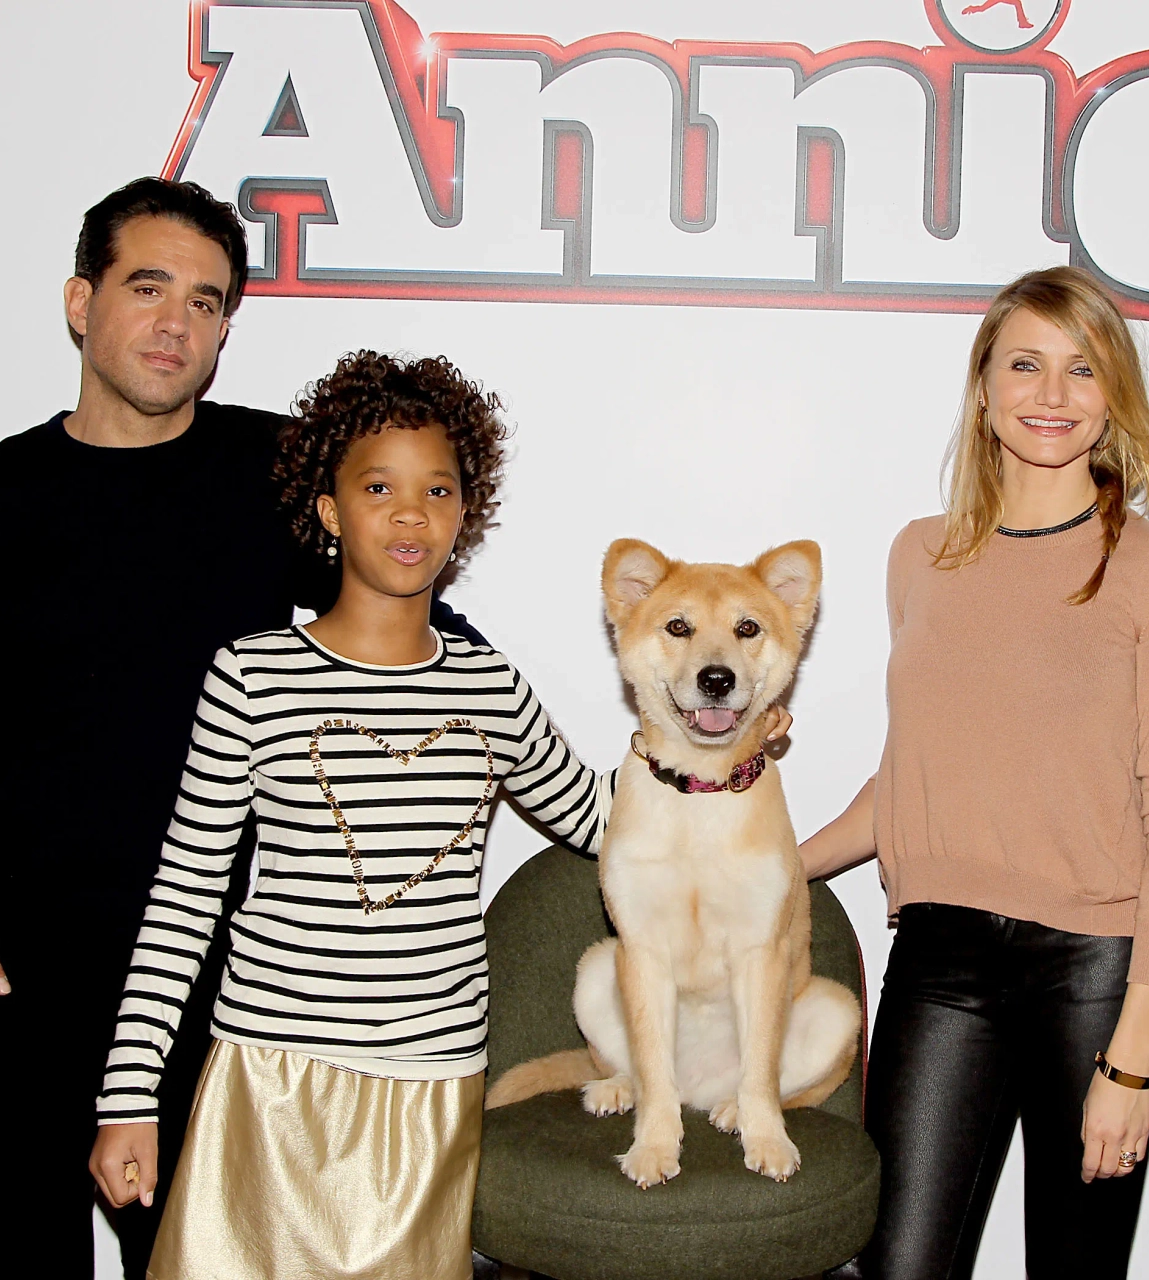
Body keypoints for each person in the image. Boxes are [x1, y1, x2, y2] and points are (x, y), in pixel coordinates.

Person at [0, 177, 482, 1278]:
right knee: (21, 1253)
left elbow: (418, 626)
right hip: (7, 965)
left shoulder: (275, 473)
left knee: (203, 1260)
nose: (176, 323)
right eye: (150, 288)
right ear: (80, 302)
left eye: (206, 301)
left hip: (206, 968)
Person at [86, 351, 790, 1277]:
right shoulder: (251, 677)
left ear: (467, 513)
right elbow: (183, 895)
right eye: (378, 486)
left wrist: (718, 754)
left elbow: (603, 818)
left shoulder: (488, 687)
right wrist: (129, 1093)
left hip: (429, 1085)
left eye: (439, 489)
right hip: (267, 1075)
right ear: (331, 510)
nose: (410, 512)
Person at [800, 266, 1149, 1279]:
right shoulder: (920, 555)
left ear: (1113, 396)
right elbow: (914, 780)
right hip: (941, 960)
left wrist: (1133, 1055)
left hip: (1099, 972)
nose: (1052, 392)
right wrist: (774, 867)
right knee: (894, 1263)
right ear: (983, 387)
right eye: (1025, 364)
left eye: (1084, 369)